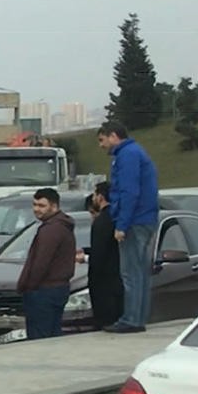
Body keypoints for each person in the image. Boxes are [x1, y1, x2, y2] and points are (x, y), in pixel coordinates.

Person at [96, 121, 159, 333]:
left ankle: (131, 319)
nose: (101, 145)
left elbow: (129, 192)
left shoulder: (127, 155)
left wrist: (121, 224)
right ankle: (138, 317)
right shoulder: (135, 152)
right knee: (139, 273)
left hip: (134, 221)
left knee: (130, 274)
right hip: (144, 219)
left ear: (113, 136)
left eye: (102, 140)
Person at [16, 188, 76, 340]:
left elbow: (41, 263)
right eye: (35, 205)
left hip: (44, 291)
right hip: (57, 288)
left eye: (42, 205)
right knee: (52, 335)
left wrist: (29, 286)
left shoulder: (51, 230)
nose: (36, 209)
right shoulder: (61, 226)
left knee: (39, 338)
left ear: (54, 206)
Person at [76, 181, 124, 329]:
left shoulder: (102, 221)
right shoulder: (117, 217)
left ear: (101, 197)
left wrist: (85, 258)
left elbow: (101, 253)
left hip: (105, 284)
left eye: (95, 195)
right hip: (116, 281)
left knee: (105, 323)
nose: (93, 198)